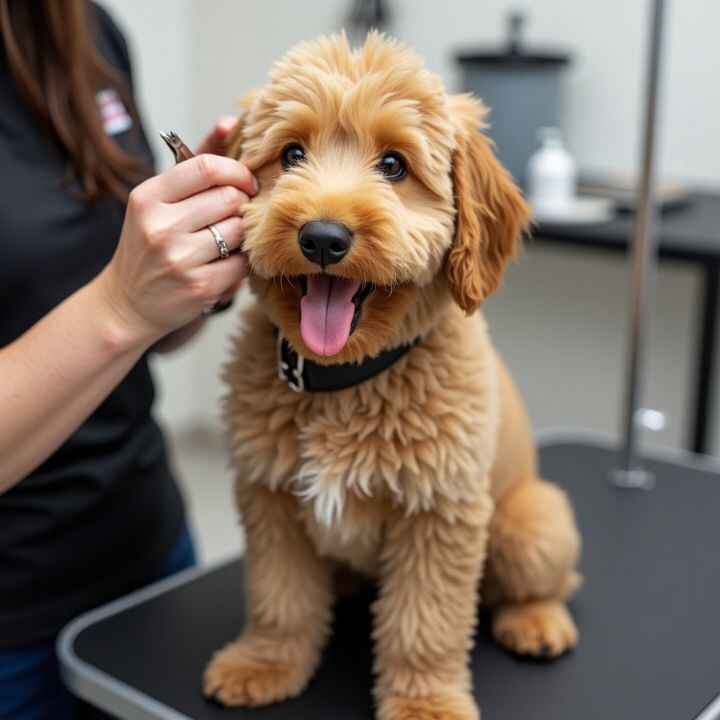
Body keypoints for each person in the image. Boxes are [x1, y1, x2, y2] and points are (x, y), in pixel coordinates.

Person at [0, 1, 256, 717]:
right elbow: (123, 314)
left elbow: (156, 337)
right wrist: (123, 305)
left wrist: (198, 277)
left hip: (150, 552)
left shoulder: (80, 26)